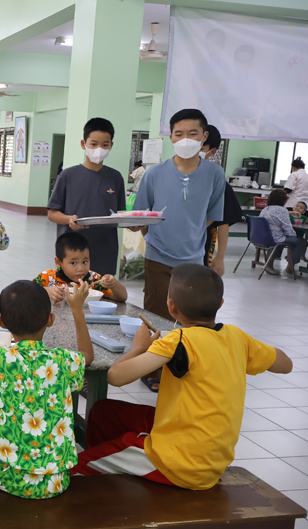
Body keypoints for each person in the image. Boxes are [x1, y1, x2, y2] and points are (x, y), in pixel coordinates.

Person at [72, 265, 293, 490]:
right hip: (211, 454)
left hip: (179, 462)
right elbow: (286, 364)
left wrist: (139, 348)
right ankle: (115, 475)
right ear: (220, 304)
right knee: (103, 412)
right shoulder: (238, 337)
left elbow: (115, 377)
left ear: (171, 306)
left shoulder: (178, 340)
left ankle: (106, 477)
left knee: (72, 471)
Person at [0, 280, 93, 499]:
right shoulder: (63, 360)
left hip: (6, 479)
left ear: (1, 323)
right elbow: (87, 356)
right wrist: (77, 310)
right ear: (51, 320)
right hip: (55, 484)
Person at [132, 109, 225, 321]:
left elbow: (212, 215)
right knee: (156, 317)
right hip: (157, 258)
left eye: (192, 133)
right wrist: (151, 236)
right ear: (171, 137)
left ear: (204, 136)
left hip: (194, 259)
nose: (185, 139)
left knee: (189, 318)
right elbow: (142, 215)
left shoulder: (215, 174)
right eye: (179, 134)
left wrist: (188, 230)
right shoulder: (154, 173)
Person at [47, 118, 126, 275]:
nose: (99, 149)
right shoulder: (67, 176)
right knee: (73, 289)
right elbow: (52, 213)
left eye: (105, 145)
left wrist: (133, 223)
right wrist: (70, 219)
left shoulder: (115, 177)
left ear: (111, 145)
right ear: (84, 144)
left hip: (105, 250)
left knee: (102, 288)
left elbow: (119, 215)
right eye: (94, 144)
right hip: (72, 251)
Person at [34, 232, 128, 303]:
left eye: (85, 262)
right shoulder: (48, 278)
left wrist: (114, 284)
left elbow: (122, 297)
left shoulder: (93, 279)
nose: (81, 268)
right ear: (58, 262)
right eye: (73, 263)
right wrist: (45, 291)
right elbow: (27, 293)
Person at [201, 125, 242, 276]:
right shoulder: (172, 175)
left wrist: (220, 257)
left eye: (200, 147)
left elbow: (224, 221)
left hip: (203, 240)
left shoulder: (217, 181)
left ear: (212, 151)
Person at [260, 189, 307, 275]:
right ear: (283, 200)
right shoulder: (282, 211)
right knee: (299, 241)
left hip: (262, 237)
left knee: (282, 239)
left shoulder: (265, 209)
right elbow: (288, 229)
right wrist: (294, 236)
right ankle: (290, 268)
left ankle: (269, 263)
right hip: (275, 238)